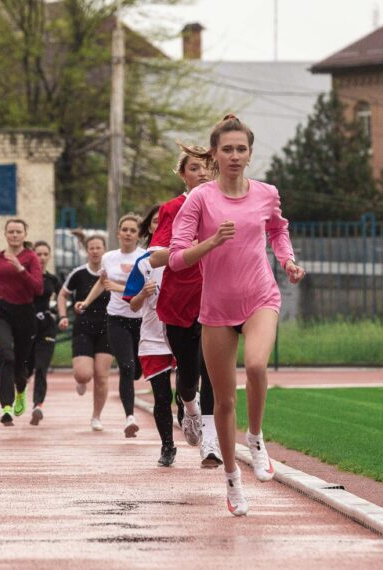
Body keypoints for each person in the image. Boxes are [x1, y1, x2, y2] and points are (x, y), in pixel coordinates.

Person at [167, 114, 306, 516]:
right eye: (226, 149)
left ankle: (256, 439)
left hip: (260, 296)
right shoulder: (200, 199)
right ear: (214, 154)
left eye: (241, 149)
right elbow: (176, 257)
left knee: (257, 366)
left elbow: (277, 230)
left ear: (249, 154)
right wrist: (210, 242)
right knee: (224, 402)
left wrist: (288, 260)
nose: (234, 155)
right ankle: (232, 480)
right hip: (216, 309)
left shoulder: (266, 193)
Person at [147, 144, 222, 469]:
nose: (202, 173)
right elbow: (156, 257)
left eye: (207, 167)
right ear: (182, 174)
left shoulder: (225, 205)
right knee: (189, 376)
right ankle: (189, 404)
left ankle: (211, 443)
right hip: (179, 303)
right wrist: (195, 247)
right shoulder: (172, 208)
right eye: (194, 168)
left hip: (216, 300)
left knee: (213, 370)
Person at [77, 214, 146, 438]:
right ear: (118, 233)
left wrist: (119, 288)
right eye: (124, 229)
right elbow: (102, 282)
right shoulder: (108, 258)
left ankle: (134, 376)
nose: (128, 233)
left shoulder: (145, 257)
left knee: (137, 370)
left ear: (138, 235)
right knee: (126, 367)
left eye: (132, 230)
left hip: (141, 320)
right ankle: (130, 418)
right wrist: (86, 302)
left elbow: (146, 288)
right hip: (116, 319)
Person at [123, 207, 179, 465]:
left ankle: (187, 409)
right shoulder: (143, 262)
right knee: (162, 396)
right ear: (150, 228)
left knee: (186, 389)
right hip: (153, 338)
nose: (163, 225)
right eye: (157, 222)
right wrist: (143, 294)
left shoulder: (186, 256)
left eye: (168, 221)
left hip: (182, 334)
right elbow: (133, 306)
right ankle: (167, 446)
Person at [0, 219, 43, 426]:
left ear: (24, 234)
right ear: (5, 234)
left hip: (25, 313)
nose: (14, 235)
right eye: (11, 231)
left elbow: (38, 288)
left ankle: (21, 389)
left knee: (20, 365)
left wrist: (21, 269)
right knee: (6, 355)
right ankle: (6, 407)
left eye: (18, 232)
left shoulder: (31, 258)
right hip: (3, 312)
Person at [57, 234, 112, 432]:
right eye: (91, 248)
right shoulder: (78, 273)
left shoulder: (111, 273)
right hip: (84, 327)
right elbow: (62, 295)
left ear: (104, 250)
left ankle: (96, 416)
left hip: (107, 328)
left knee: (101, 376)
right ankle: (81, 381)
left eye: (98, 248)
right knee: (84, 374)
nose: (95, 251)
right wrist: (63, 316)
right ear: (86, 251)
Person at [26, 240, 62, 426]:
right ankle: (19, 392)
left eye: (45, 254)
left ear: (49, 257)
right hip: (26, 328)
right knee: (25, 370)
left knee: (41, 368)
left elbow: (64, 296)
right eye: (38, 254)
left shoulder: (53, 280)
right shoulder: (24, 277)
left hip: (46, 328)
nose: (41, 258)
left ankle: (37, 405)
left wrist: (59, 314)